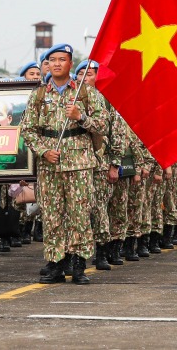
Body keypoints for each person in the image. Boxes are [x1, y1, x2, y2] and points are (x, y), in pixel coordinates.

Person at [21, 44, 108, 285]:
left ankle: (78, 264)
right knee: (52, 215)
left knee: (79, 215)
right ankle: (55, 263)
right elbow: (28, 130)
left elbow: (103, 127)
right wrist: (43, 151)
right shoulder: (39, 95)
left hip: (79, 162)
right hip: (50, 164)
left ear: (71, 64)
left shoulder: (87, 93)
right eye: (52, 60)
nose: (57, 64)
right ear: (47, 65)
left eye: (63, 59)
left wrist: (81, 117)